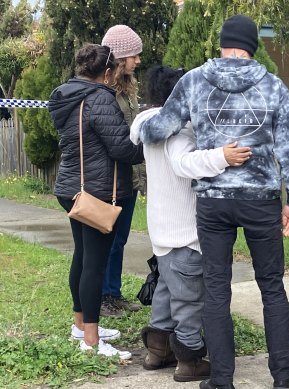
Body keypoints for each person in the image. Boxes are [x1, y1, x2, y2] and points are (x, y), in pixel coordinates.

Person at [132, 14, 289, 389]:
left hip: (214, 201)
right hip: (261, 198)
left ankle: (222, 380)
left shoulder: (194, 80)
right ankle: (283, 378)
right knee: (272, 288)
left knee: (216, 288)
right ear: (253, 46)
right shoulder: (273, 86)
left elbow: (161, 127)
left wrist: (137, 130)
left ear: (222, 44)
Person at [134, 65, 252, 382]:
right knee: (188, 299)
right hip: (185, 232)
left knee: (165, 290)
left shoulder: (149, 126)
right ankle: (189, 359)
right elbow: (185, 163)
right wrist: (223, 156)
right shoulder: (178, 132)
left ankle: (157, 350)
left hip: (161, 229)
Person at [48, 44, 143, 359]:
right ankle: (91, 339)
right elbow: (121, 149)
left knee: (82, 257)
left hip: (71, 188)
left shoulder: (64, 95)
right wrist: (150, 146)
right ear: (107, 72)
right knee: (94, 264)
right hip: (95, 193)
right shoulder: (100, 98)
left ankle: (81, 325)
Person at [100, 24, 144, 317]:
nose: (138, 61)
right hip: (110, 178)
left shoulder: (129, 90)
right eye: (134, 56)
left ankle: (113, 293)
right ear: (120, 57)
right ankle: (103, 295)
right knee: (108, 240)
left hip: (129, 177)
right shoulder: (103, 92)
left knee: (121, 239)